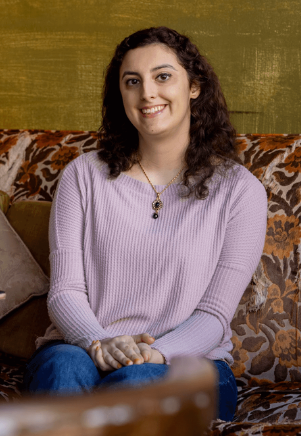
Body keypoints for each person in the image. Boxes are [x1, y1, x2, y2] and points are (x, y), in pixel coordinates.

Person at [23, 27, 268, 421]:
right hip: (83, 348)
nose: (147, 93)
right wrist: (101, 344)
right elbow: (65, 291)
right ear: (120, 95)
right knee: (63, 370)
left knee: (136, 384)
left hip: (191, 362)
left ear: (194, 86)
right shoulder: (82, 177)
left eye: (163, 76)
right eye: (132, 82)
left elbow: (214, 315)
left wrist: (152, 355)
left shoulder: (240, 192)